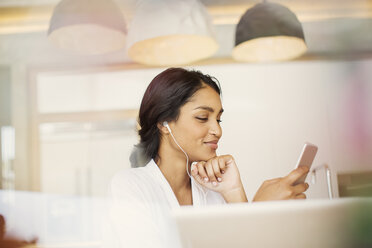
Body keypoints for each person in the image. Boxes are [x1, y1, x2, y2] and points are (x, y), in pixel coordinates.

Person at [105, 68, 310, 248]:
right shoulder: (130, 186)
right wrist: (258, 209)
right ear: (164, 123)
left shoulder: (215, 191)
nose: (218, 130)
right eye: (203, 117)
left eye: (219, 119)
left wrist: (235, 193)